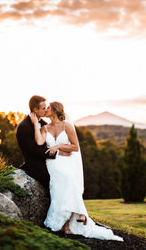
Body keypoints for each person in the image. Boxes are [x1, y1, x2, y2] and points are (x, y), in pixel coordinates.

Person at [31, 101, 123, 241]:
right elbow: (39, 142)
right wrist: (34, 125)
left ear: (55, 110)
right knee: (64, 179)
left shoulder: (66, 126)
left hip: (66, 162)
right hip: (53, 163)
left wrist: (59, 146)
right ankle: (78, 214)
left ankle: (70, 223)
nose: (46, 109)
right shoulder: (44, 128)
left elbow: (75, 147)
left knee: (69, 177)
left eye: (48, 107)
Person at [16, 95, 69, 190]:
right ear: (35, 110)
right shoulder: (24, 127)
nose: (46, 110)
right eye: (44, 108)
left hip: (49, 161)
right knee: (55, 181)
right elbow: (33, 150)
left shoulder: (44, 124)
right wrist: (55, 153)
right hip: (36, 167)